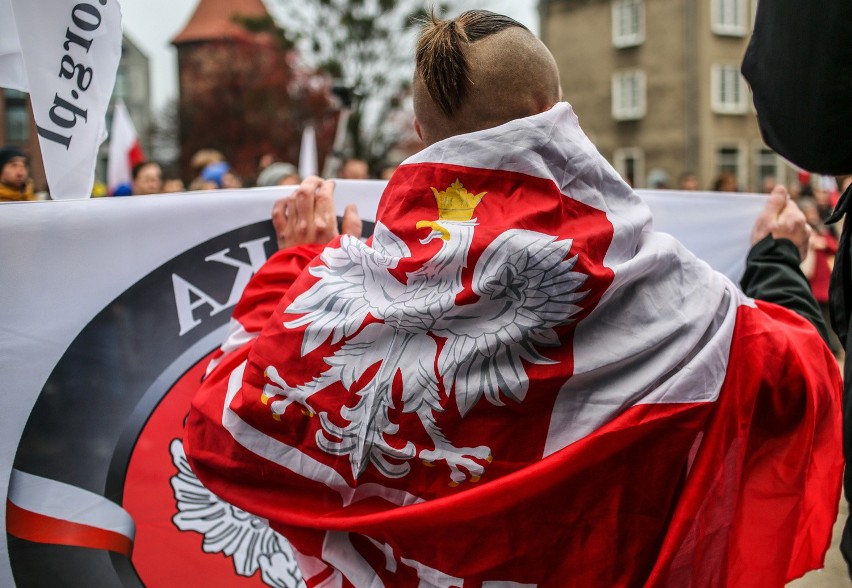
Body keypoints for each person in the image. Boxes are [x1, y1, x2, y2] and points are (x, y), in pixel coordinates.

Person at [185, 10, 841, 585]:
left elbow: (221, 423)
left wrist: (299, 262)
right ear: (558, 107)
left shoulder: (352, 290)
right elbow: (805, 380)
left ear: (419, 130)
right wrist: (777, 259)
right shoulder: (666, 288)